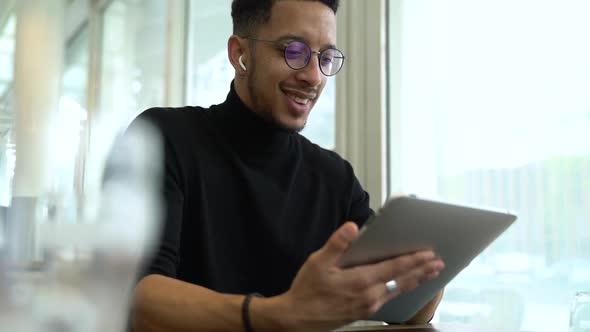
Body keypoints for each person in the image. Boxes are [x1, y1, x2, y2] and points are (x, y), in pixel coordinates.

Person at [130, 0, 445, 331]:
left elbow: (408, 311)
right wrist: (278, 315)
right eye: (293, 51)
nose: (313, 77)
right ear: (241, 54)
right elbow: (138, 299)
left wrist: (430, 266)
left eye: (325, 58)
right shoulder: (164, 138)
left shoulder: (335, 178)